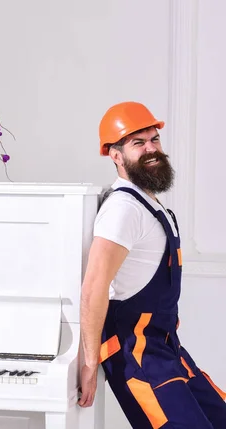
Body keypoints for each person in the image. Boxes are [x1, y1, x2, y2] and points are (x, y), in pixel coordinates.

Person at [78, 101, 226, 428]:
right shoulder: (123, 210)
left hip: (165, 346)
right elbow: (94, 287)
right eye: (137, 143)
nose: (151, 149)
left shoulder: (149, 203)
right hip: (137, 355)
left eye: (153, 139)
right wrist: (89, 364)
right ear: (115, 155)